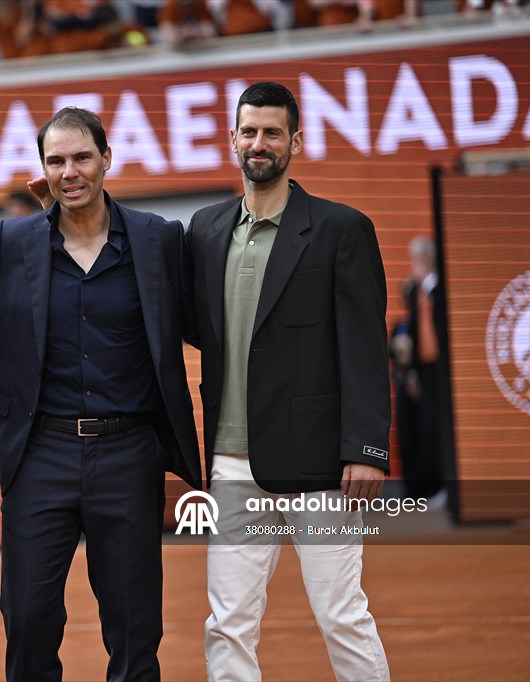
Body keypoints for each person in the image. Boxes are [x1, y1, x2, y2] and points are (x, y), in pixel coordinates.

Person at [0, 106, 201, 682]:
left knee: (134, 623)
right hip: (41, 451)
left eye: (81, 158)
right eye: (56, 160)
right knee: (28, 616)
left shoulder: (157, 239)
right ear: (42, 169)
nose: (69, 171)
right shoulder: (16, 240)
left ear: (106, 160)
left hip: (128, 453)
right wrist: (20, 359)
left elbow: (199, 324)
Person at [186, 81, 390, 681]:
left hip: (320, 464)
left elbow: (364, 348)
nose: (259, 142)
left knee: (341, 614)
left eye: (272, 132)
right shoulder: (203, 230)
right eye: (249, 131)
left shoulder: (340, 229)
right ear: (232, 140)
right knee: (227, 622)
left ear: (295, 142)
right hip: (230, 463)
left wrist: (366, 450)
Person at [390, 235, 446, 501]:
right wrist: (410, 371)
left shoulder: (437, 292)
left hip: (440, 372)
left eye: (417, 261)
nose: (413, 266)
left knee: (437, 427)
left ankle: (443, 487)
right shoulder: (418, 294)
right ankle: (428, 488)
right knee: (423, 430)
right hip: (422, 373)